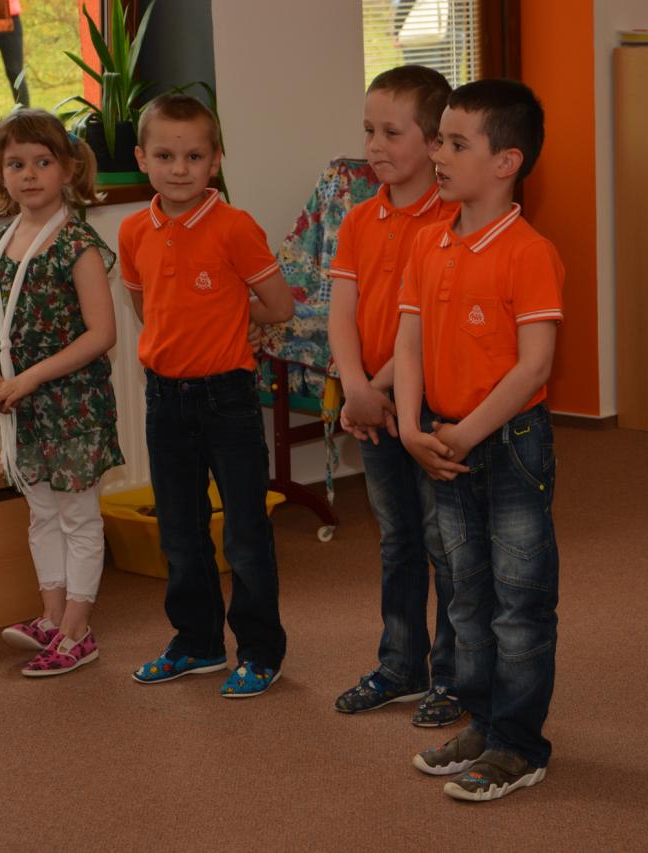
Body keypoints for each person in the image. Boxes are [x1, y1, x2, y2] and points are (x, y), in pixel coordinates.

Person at [396, 79, 565, 802]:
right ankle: (485, 722)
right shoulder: (427, 240)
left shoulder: (528, 251)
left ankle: (520, 745)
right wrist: (410, 426)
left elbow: (535, 366)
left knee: (518, 600)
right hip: (442, 440)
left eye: (456, 143)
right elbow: (408, 343)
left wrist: (464, 432)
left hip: (509, 442)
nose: (438, 154)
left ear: (506, 162)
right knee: (465, 595)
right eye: (439, 139)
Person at [120, 93, 295, 698]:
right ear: (141, 158)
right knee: (179, 531)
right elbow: (146, 306)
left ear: (216, 160)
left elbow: (279, 305)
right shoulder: (132, 230)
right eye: (165, 156)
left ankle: (261, 651)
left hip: (229, 400)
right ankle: (196, 643)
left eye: (194, 156)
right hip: (164, 400)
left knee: (244, 532)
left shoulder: (234, 227)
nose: (179, 168)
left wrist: (229, 316)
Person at [328, 65, 464, 727]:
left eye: (391, 132)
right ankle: (402, 665)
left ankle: (456, 675)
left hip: (432, 403)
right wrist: (355, 386)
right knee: (397, 539)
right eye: (368, 131)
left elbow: (431, 324)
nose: (374, 145)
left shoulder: (454, 218)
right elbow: (341, 308)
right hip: (373, 406)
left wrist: (374, 388)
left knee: (446, 542)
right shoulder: (359, 218)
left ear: (435, 142)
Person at [0, 108, 121, 677]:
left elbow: (102, 334)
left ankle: (79, 631)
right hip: (26, 406)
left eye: (42, 162)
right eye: (16, 164)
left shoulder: (77, 243)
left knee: (77, 515)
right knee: (41, 512)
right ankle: (53, 616)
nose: (29, 175)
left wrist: (30, 377)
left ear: (67, 169)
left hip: (73, 404)